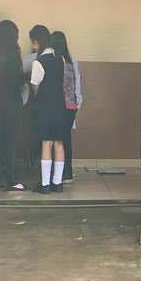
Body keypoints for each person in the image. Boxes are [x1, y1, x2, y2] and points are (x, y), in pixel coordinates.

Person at [29, 28, 73, 193]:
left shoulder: (39, 62)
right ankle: (58, 183)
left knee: (46, 143)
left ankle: (45, 184)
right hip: (61, 106)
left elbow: (35, 85)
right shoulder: (62, 60)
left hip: (45, 106)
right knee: (59, 144)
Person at [0, 20, 25, 190]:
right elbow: (16, 78)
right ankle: (10, 179)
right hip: (12, 100)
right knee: (10, 141)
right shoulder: (13, 52)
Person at [51, 31, 83, 184]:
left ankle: (58, 173)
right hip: (71, 106)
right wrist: (77, 105)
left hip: (57, 106)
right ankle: (68, 173)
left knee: (55, 140)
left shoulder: (53, 62)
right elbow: (77, 85)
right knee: (66, 140)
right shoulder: (72, 62)